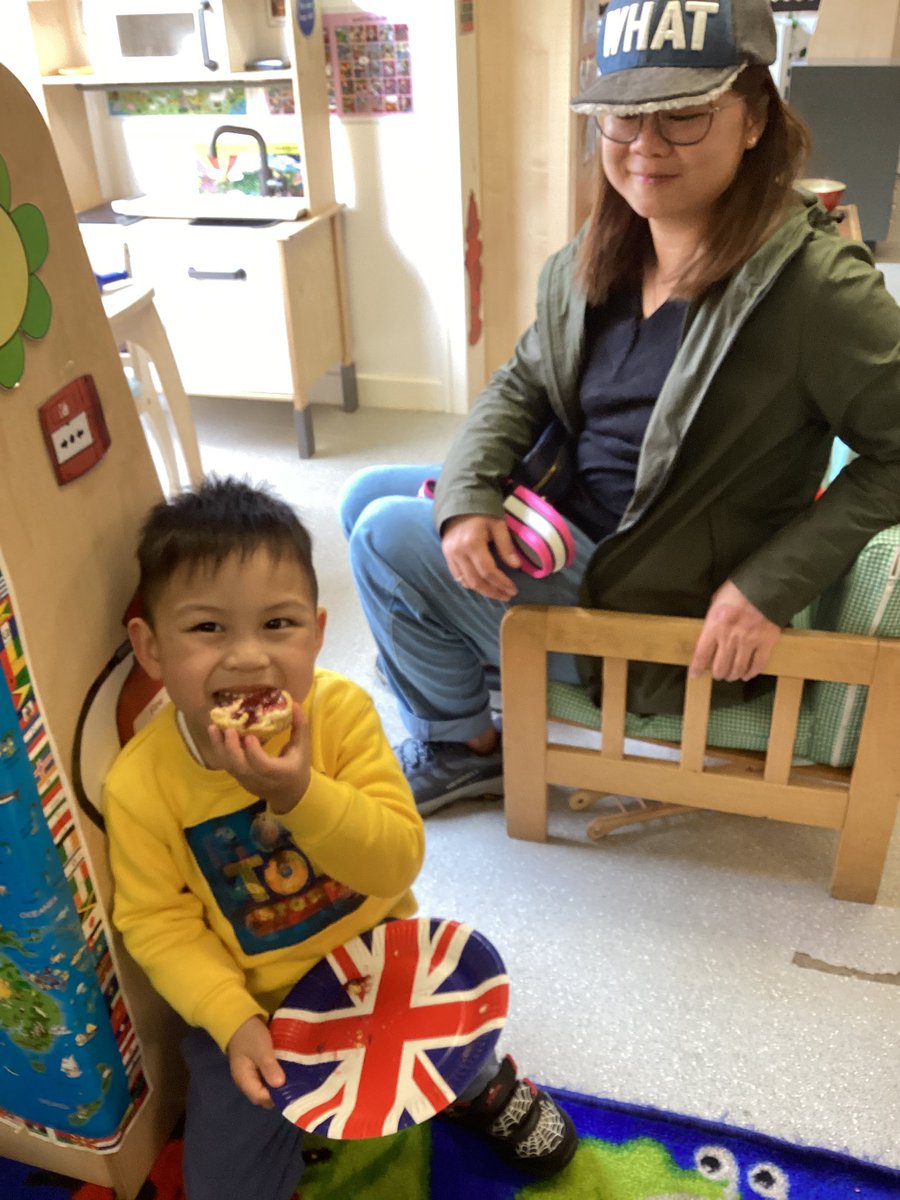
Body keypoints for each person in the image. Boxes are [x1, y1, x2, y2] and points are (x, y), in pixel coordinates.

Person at [340, 0, 900, 817]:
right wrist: (467, 499)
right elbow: (522, 383)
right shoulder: (605, 247)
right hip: (574, 526)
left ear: (754, 119)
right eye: (621, 117)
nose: (644, 147)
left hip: (657, 592)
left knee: (382, 536)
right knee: (373, 491)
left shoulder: (817, 287)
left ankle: (462, 743)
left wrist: (766, 587)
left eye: (682, 116)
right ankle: (473, 676)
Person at [103, 477, 576, 1200]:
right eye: (207, 629)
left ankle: (477, 1080)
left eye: (278, 625)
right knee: (219, 1186)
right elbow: (156, 923)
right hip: (257, 1005)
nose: (249, 659)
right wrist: (232, 1022)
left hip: (381, 963)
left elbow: (396, 859)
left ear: (319, 634)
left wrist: (299, 794)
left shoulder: (343, 714)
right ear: (151, 648)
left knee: (447, 1035)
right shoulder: (140, 784)